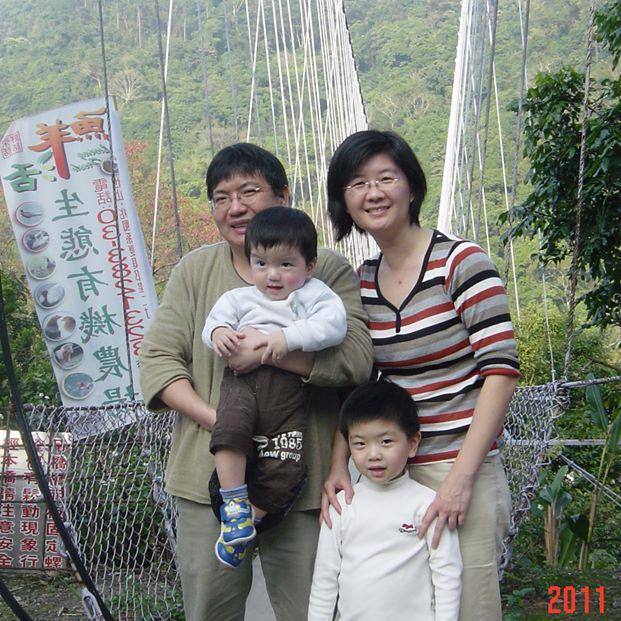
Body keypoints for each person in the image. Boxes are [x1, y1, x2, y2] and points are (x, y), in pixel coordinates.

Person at [139, 142, 373, 621]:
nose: (235, 207)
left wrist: (271, 350)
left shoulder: (323, 269)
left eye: (249, 192)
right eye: (221, 198)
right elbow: (158, 362)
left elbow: (356, 360)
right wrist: (225, 424)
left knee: (313, 611)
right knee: (210, 611)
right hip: (207, 477)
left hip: (305, 479)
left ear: (283, 196)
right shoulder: (195, 271)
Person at [322, 130, 520, 621]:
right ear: (344, 201)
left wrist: (460, 479)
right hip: (391, 474)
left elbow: (500, 372)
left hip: (461, 467)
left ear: (412, 186)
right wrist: (338, 466)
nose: (373, 193)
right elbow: (360, 387)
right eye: (357, 183)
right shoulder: (363, 281)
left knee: (469, 606)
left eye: (386, 178)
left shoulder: (461, 262)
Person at [202, 206, 347, 567]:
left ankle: (252, 517)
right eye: (261, 263)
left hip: (287, 389)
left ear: (309, 266)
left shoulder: (315, 295)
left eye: (286, 264)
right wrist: (219, 334)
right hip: (241, 382)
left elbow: (334, 326)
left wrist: (285, 338)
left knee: (286, 461)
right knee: (230, 432)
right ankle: (234, 503)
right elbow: (214, 324)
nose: (273, 275)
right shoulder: (239, 298)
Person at [308, 380, 462, 621]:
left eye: (386, 442)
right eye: (360, 444)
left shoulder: (428, 505)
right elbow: (324, 580)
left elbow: (447, 575)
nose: (374, 454)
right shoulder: (341, 505)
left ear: (412, 444)